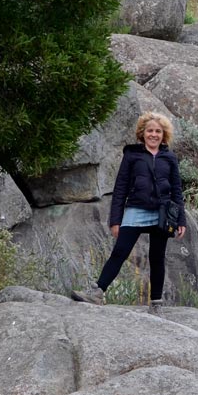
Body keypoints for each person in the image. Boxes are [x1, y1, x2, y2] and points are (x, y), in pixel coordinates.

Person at [72, 111, 187, 307]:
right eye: (150, 130)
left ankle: (156, 303)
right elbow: (121, 188)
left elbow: (177, 189)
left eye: (158, 131)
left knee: (157, 257)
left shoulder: (169, 157)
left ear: (164, 134)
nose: (154, 135)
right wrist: (115, 220)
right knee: (120, 252)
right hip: (136, 209)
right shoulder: (132, 155)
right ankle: (97, 292)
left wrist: (181, 220)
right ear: (142, 133)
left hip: (162, 212)